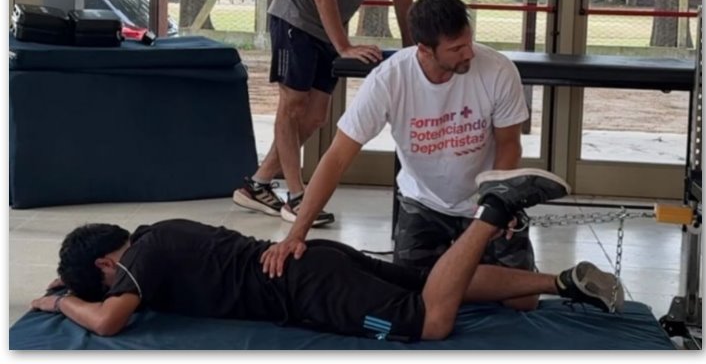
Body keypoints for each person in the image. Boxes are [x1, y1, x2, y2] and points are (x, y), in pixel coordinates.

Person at [31, 169, 624, 341]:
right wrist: (72, 283)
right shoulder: (164, 231)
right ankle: (562, 282)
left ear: (108, 264)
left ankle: (491, 211)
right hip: (314, 260)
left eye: (103, 281)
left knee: (430, 322)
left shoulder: (138, 261)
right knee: (426, 281)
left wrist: (61, 304)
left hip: (306, 290)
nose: (110, 290)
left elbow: (108, 323)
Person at [262, 0, 535, 285]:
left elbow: (509, 145)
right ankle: (454, 283)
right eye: (456, 49)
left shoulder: (498, 69)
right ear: (425, 50)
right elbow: (338, 157)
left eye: (468, 42)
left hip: (484, 199)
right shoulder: (389, 79)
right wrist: (297, 234)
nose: (468, 53)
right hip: (423, 202)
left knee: (522, 300)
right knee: (410, 291)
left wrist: (495, 204)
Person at [233, 0, 432, 228]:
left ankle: (257, 184)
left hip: (328, 25)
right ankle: (297, 196)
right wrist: (344, 46)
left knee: (315, 117)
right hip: (295, 17)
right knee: (293, 104)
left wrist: (413, 50)